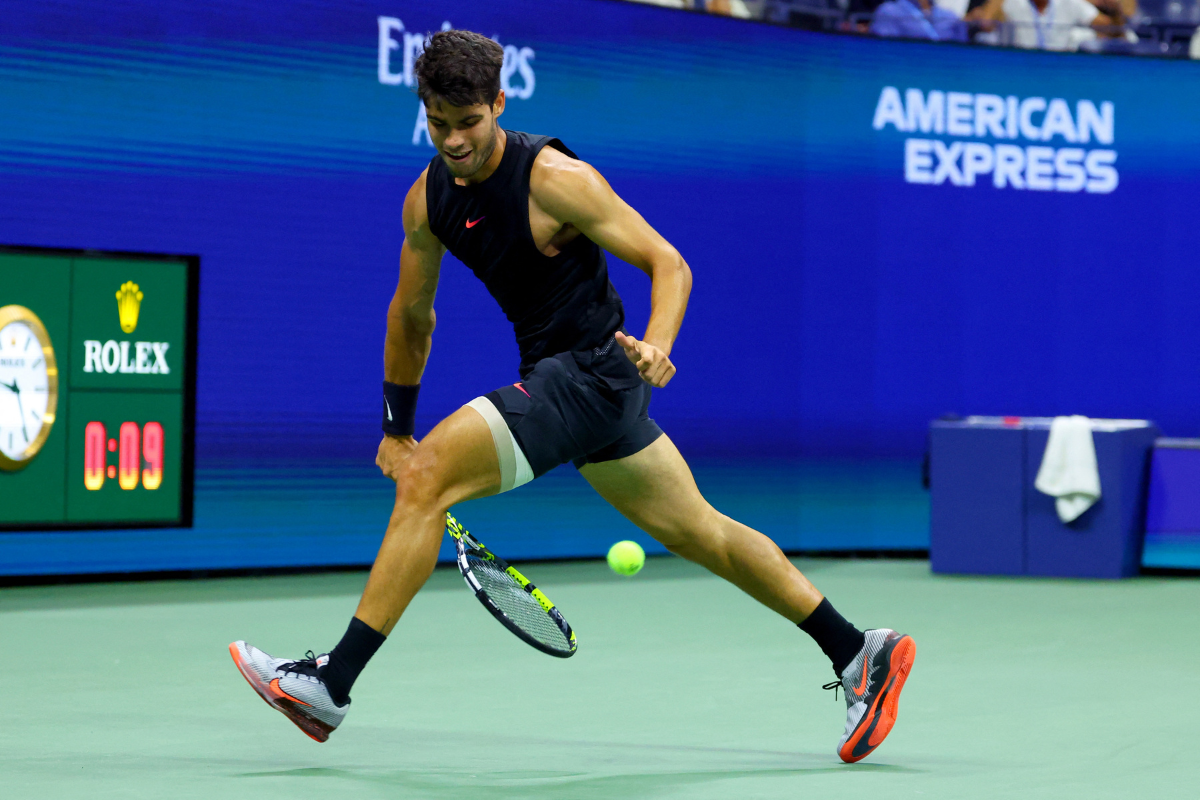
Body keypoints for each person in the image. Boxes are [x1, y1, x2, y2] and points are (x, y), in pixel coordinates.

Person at [229, 29, 916, 765]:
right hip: (583, 392)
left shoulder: (555, 178)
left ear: (499, 102)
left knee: (428, 479)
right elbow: (412, 313)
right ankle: (858, 651)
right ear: (423, 111)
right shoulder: (426, 201)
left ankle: (332, 683)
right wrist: (396, 424)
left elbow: (668, 262)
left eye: (470, 121)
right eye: (439, 123)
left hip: (594, 373)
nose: (456, 140)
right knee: (703, 534)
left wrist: (659, 342)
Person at [978, 0, 1124, 49]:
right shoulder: (1012, 3)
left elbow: (1112, 30)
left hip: (1058, 69)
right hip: (1018, 68)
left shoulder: (1070, 3)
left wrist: (1116, 11)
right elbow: (986, 24)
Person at [871, 0, 970, 41]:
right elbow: (884, 49)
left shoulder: (949, 15)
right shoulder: (890, 11)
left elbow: (963, 49)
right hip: (904, 70)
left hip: (943, 73)